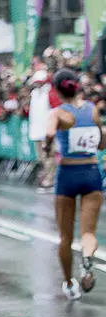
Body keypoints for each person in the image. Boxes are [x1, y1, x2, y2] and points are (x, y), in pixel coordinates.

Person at [44, 68, 106, 300]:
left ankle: (69, 283)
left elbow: (49, 133)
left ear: (57, 90)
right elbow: (102, 144)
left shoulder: (58, 113)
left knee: (65, 237)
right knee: (88, 232)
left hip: (67, 174)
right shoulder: (93, 111)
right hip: (91, 172)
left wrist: (47, 145)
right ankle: (87, 260)